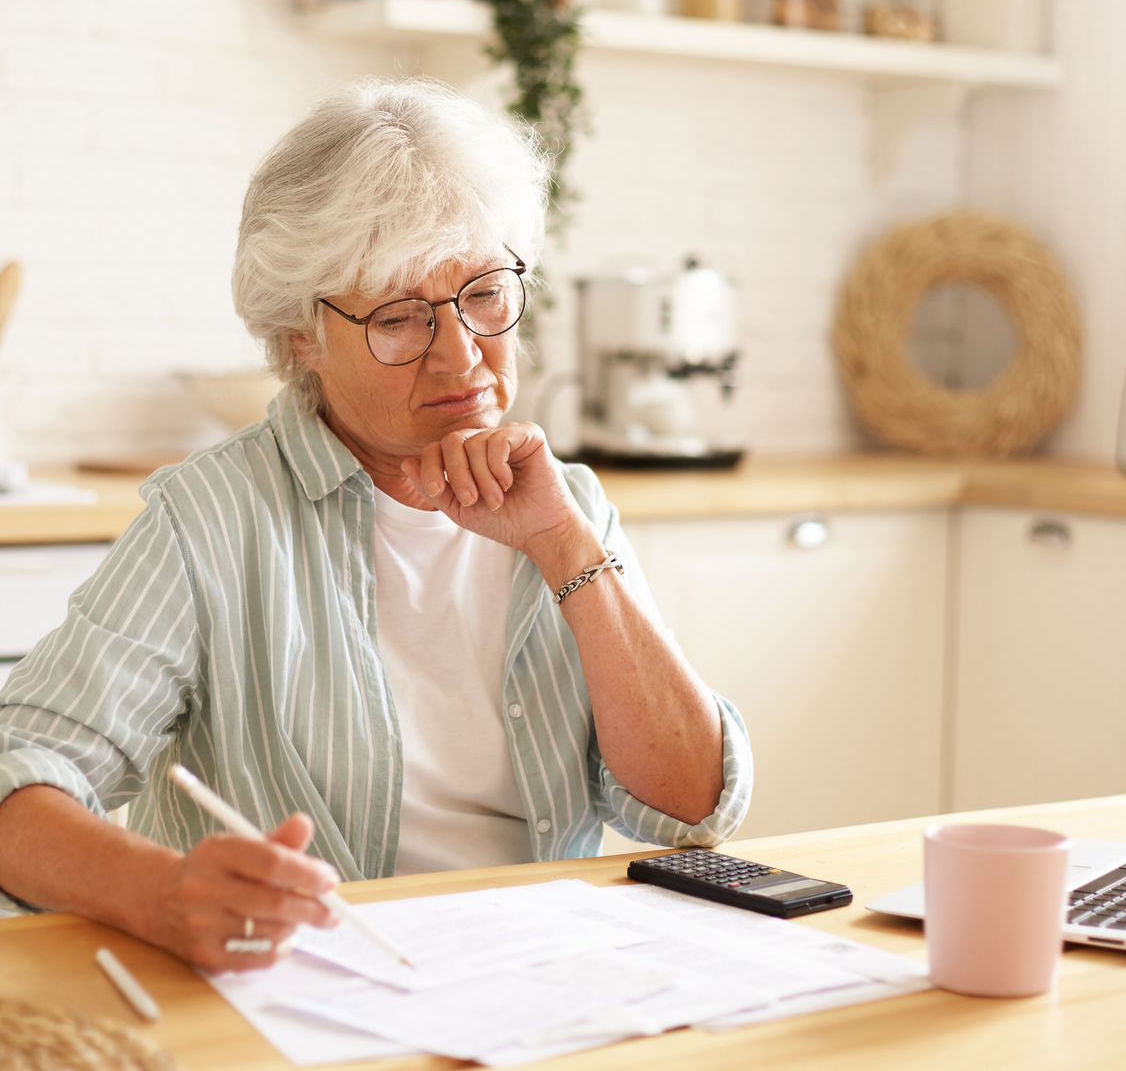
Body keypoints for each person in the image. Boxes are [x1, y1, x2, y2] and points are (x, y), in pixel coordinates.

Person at [0, 78, 752, 972]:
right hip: (317, 989)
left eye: (483, 292)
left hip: (541, 976)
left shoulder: (569, 502)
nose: (462, 351)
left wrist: (564, 548)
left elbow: (692, 807)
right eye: (398, 318)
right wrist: (161, 895)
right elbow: (19, 776)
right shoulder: (212, 518)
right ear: (300, 336)